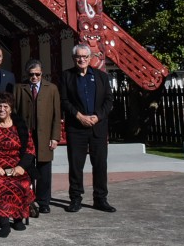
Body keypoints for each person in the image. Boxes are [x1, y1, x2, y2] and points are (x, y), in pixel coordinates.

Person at [60, 44, 115, 213]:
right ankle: (75, 199)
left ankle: (100, 199)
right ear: (74, 58)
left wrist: (97, 116)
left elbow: (108, 101)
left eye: (85, 56)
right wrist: (79, 116)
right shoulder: (66, 76)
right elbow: (64, 101)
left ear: (90, 58)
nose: (82, 59)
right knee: (76, 166)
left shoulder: (101, 77)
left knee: (100, 165)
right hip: (76, 128)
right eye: (78, 57)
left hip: (98, 127)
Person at [0, 92, 36, 238]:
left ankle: (17, 218)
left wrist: (21, 167)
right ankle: (4, 223)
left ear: (10, 109)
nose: (1, 109)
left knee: (22, 182)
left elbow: (30, 149)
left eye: (5, 106)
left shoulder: (20, 125)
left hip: (17, 164)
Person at [13, 59, 61, 214]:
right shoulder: (20, 88)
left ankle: (44, 201)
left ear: (42, 73)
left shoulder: (51, 88)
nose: (34, 77)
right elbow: (14, 112)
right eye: (31, 74)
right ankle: (28, 199)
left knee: (44, 169)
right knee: (26, 168)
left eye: (37, 74)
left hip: (45, 135)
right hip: (26, 135)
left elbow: (56, 114)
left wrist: (55, 137)